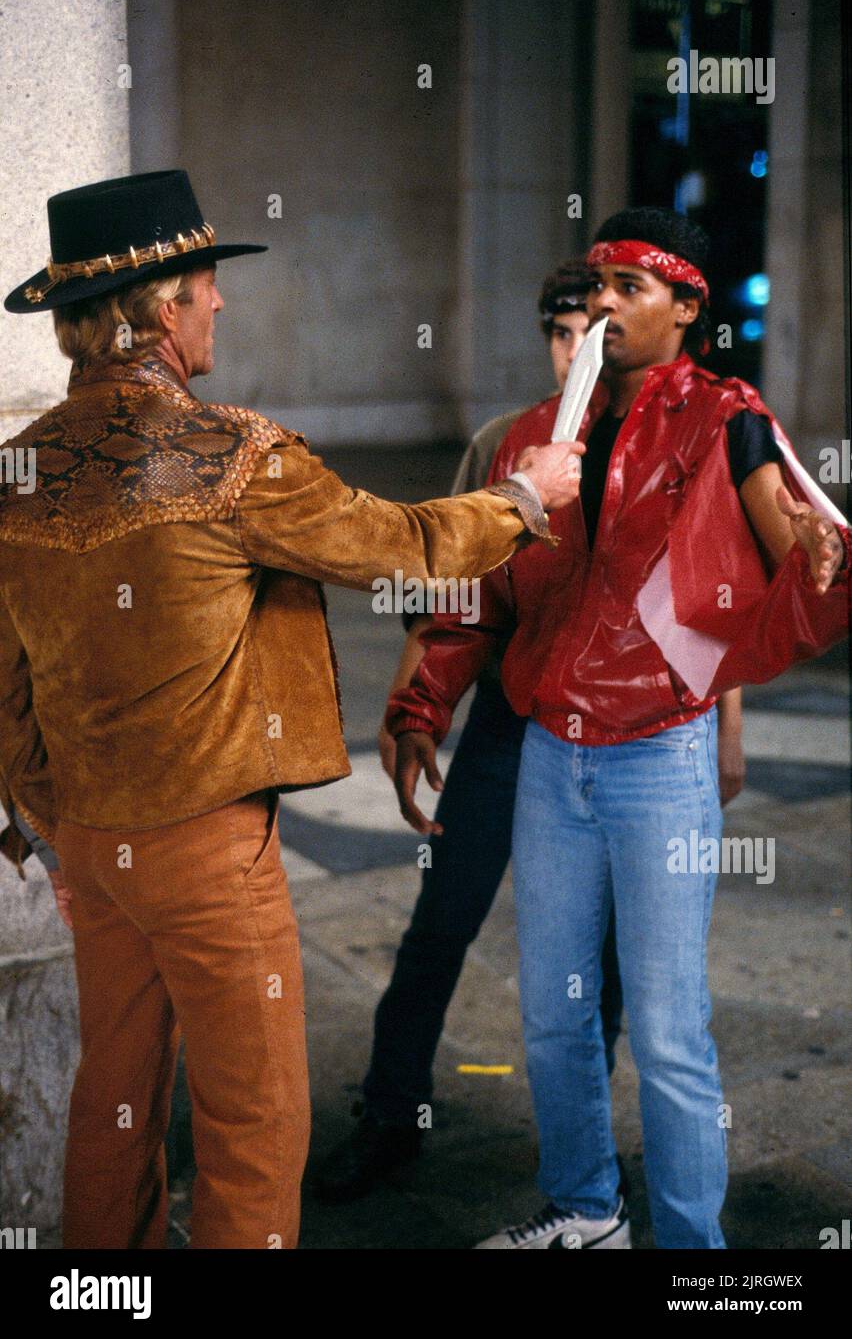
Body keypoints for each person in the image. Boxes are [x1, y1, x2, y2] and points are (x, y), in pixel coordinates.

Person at [0, 169, 585, 1250]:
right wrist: (524, 497)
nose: (221, 302)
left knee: (113, 1101)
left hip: (95, 838)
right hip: (209, 848)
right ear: (162, 306)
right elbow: (400, 546)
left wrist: (55, 832)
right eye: (208, 284)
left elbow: (6, 692)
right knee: (255, 1118)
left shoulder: (15, 473)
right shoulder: (229, 455)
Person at [386, 208, 849, 1249]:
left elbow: (788, 562)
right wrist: (424, 700)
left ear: (688, 307)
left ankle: (693, 1252)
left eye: (629, 285)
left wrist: (813, 555)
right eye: (595, 283)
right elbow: (485, 596)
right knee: (553, 1013)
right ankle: (587, 1211)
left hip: (658, 759)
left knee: (672, 1032)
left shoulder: (726, 418)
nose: (602, 302)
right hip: (552, 753)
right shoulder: (533, 439)